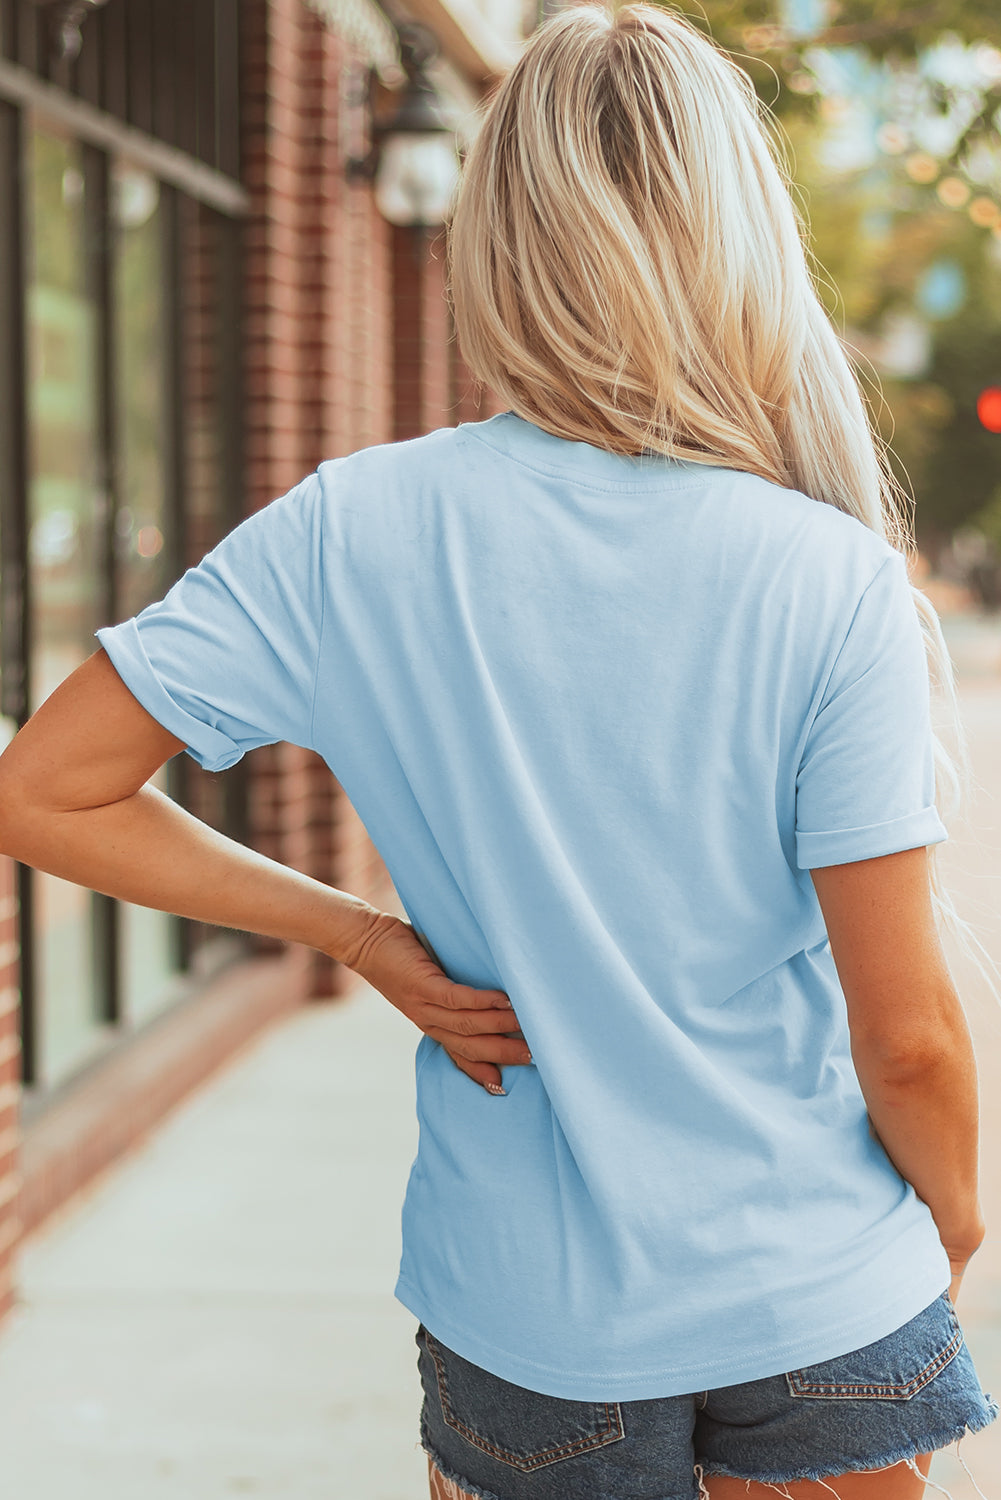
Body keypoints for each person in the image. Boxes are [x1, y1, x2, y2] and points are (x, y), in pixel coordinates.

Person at [0, 3, 996, 1496]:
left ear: (494, 237)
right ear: (737, 242)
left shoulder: (350, 530)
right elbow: (905, 1038)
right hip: (813, 1290)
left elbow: (41, 791)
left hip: (529, 1318)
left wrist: (356, 936)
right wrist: (952, 1215)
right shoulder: (829, 574)